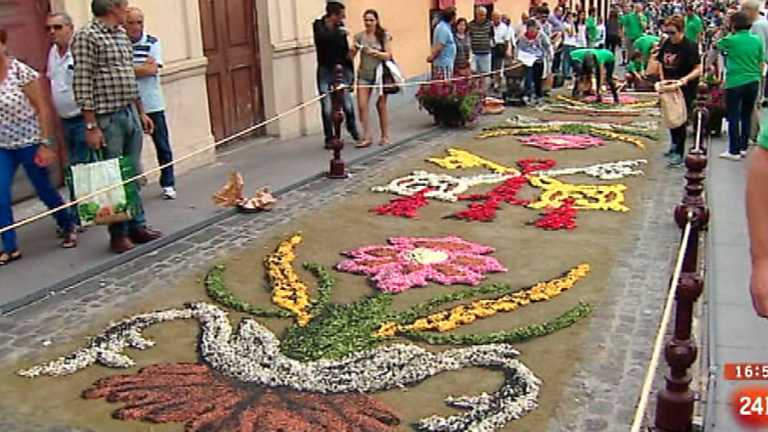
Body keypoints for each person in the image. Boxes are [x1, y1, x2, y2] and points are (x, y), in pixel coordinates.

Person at [72, 0, 162, 253]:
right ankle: (118, 233)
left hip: (129, 111)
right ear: (113, 8)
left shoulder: (121, 35)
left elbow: (127, 76)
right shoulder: (87, 36)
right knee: (113, 177)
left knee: (132, 172)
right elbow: (82, 82)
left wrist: (141, 112)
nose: (127, 10)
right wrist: (91, 125)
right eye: (124, 6)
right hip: (106, 117)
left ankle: (137, 225)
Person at [0, 28, 77, 265]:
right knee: (0, 194)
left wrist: (46, 143)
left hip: (30, 141)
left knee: (44, 189)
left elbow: (42, 108)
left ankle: (66, 223)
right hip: (3, 145)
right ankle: (10, 246)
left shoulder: (19, 71)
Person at [125, 7, 177, 200]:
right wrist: (140, 68)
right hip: (129, 104)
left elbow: (152, 69)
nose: (135, 27)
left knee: (162, 145)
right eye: (131, 22)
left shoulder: (152, 42)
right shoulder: (120, 43)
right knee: (132, 149)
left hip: (152, 103)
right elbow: (129, 71)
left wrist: (128, 70)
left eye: (139, 22)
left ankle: (168, 183)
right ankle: (134, 187)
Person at [313, 1, 361, 148]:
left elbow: (345, 53)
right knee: (326, 106)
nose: (343, 18)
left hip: (341, 70)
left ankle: (352, 127)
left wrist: (351, 72)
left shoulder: (340, 28)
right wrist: (339, 33)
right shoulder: (319, 25)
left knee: (347, 104)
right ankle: (329, 137)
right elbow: (322, 39)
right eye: (341, 15)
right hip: (325, 70)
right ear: (333, 15)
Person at [717, 11, 765, 160]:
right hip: (753, 80)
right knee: (746, 115)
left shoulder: (730, 40)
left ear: (733, 24)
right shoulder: (756, 40)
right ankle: (744, 147)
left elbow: (716, 46)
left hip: (735, 81)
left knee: (733, 115)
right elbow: (761, 60)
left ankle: (734, 150)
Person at [657, 15, 702, 167]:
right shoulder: (667, 43)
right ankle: (674, 144)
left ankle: (679, 152)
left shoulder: (690, 46)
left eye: (672, 32)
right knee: (670, 116)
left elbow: (698, 68)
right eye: (667, 32)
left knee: (680, 119)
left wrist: (685, 80)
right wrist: (663, 80)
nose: (670, 36)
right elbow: (660, 62)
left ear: (681, 31)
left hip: (685, 87)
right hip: (669, 85)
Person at [46, 13, 87, 167]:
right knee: (74, 164)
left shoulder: (80, 50)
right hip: (65, 121)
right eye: (48, 28)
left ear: (70, 28)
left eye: (57, 27)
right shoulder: (53, 52)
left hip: (83, 118)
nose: (52, 31)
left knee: (85, 164)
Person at [351, 9, 393, 148]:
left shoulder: (383, 35)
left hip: (380, 74)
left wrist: (375, 53)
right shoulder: (359, 37)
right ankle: (367, 136)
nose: (368, 23)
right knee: (362, 105)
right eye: (366, 20)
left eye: (371, 20)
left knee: (381, 105)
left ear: (376, 21)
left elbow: (389, 55)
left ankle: (385, 136)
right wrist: (352, 50)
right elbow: (351, 56)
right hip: (364, 74)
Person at [517, 19, 552, 105]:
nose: (532, 32)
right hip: (527, 60)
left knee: (538, 79)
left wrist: (550, 56)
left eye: (534, 30)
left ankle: (538, 95)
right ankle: (527, 95)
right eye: (530, 30)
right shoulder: (523, 37)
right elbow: (520, 48)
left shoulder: (542, 36)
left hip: (538, 59)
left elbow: (548, 46)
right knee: (528, 77)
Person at [427, 7, 457, 77]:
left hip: (446, 63)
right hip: (443, 65)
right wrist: (432, 57)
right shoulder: (443, 29)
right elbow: (439, 47)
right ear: (452, 17)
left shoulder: (445, 27)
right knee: (444, 83)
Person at [491, 10, 514, 93]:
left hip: (500, 47)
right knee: (492, 67)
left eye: (498, 18)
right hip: (491, 47)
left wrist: (506, 50)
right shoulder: (490, 26)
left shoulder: (504, 27)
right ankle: (493, 82)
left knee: (498, 66)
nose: (496, 20)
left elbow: (507, 40)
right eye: (495, 18)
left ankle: (498, 84)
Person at [468, 7, 493, 77]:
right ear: (477, 14)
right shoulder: (471, 25)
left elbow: (491, 36)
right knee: (474, 74)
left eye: (484, 15)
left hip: (486, 53)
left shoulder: (490, 24)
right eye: (481, 15)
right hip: (474, 53)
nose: (483, 17)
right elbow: (469, 37)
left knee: (485, 75)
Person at [562, 12, 579, 80]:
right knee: (567, 60)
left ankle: (570, 73)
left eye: (571, 17)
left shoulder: (573, 25)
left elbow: (575, 34)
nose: (571, 19)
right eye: (569, 17)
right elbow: (570, 34)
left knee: (572, 60)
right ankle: (566, 74)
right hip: (567, 43)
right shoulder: (565, 24)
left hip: (573, 44)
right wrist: (572, 24)